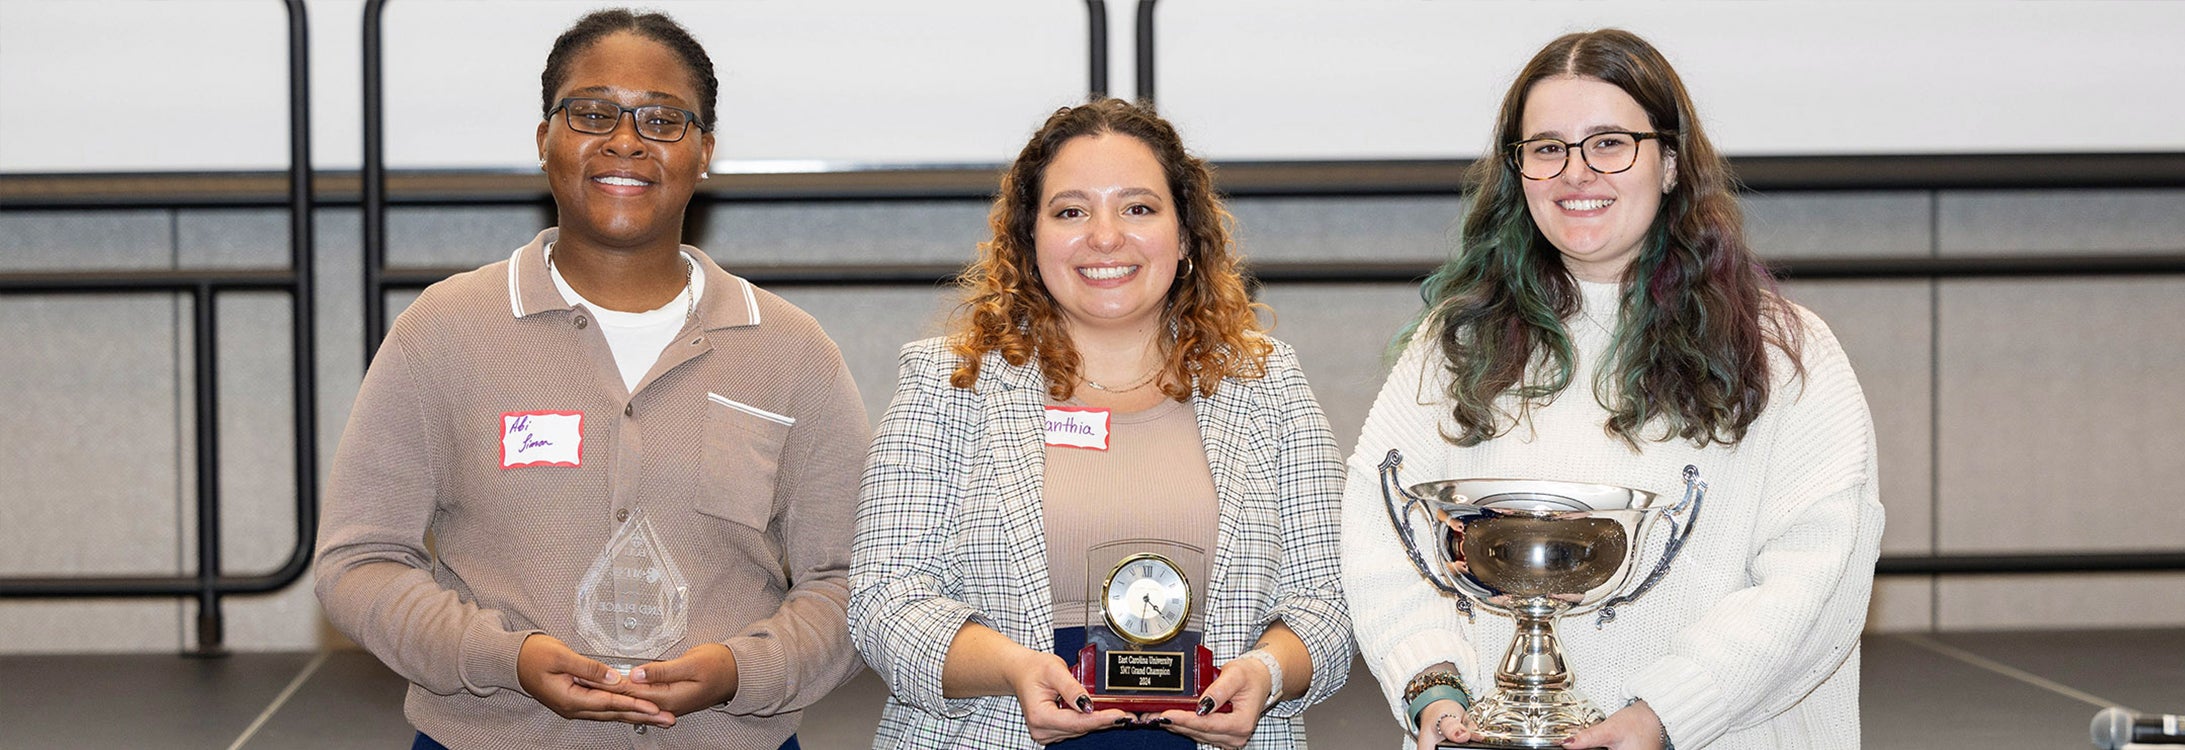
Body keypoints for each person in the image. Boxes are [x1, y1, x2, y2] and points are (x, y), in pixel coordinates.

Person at [314, 9, 866, 749]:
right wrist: (503, 659)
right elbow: (359, 563)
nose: (626, 139)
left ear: (704, 152)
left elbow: (856, 581)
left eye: (662, 120)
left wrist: (745, 669)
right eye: (592, 111)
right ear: (545, 139)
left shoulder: (793, 352)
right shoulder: (444, 332)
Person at [1341, 29, 1884, 750]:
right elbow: (1382, 531)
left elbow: (1815, 577)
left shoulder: (1786, 353)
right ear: (1517, 172)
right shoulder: (1456, 341)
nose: (1575, 173)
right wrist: (1430, 688)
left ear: (1667, 162)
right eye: (1546, 148)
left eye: (1608, 143)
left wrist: (1662, 715)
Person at [849, 99, 1353, 750]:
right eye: (1071, 211)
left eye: (1137, 207)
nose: (1105, 236)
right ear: (1030, 238)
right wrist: (1015, 669)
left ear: (1184, 235)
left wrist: (1267, 671)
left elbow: (1329, 598)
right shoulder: (949, 385)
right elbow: (884, 597)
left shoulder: (1268, 383)